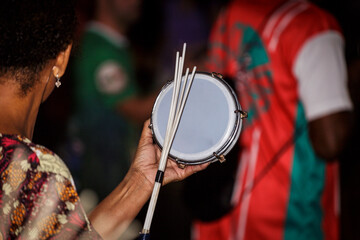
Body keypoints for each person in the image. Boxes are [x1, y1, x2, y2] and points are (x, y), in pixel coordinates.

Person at [0, 1, 207, 239]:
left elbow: (75, 235)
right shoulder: (32, 171)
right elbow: (132, 107)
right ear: (61, 59)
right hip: (98, 169)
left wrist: (141, 180)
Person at [191, 0, 353, 239]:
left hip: (217, 200)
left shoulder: (232, 11)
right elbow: (330, 141)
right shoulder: (311, 25)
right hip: (283, 216)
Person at [69, 0, 158, 202]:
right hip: (101, 173)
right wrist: (183, 82)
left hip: (109, 168)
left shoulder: (111, 44)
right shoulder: (100, 50)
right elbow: (135, 110)